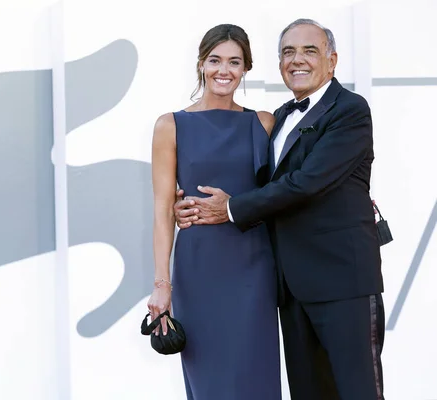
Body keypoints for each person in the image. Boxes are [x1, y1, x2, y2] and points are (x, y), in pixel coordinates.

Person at [174, 19, 385, 400]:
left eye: (310, 51)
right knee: (309, 392)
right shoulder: (281, 116)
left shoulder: (350, 110)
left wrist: (230, 209)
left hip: (343, 285)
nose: (297, 60)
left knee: (358, 393)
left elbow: (305, 183)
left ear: (332, 60)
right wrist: (187, 203)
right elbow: (257, 183)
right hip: (289, 287)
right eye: (288, 52)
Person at [147, 23, 281, 399]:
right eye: (215, 60)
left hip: (253, 268)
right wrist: (161, 285)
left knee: (255, 378)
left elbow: (281, 195)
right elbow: (161, 209)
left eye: (235, 62)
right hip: (198, 270)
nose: (224, 71)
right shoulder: (170, 125)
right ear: (201, 64)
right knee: (209, 383)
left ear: (246, 68)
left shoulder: (264, 123)